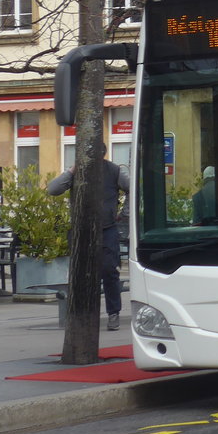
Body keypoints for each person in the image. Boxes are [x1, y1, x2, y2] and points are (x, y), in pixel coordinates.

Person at [47, 140, 129, 331]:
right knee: (81, 273)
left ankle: (113, 313)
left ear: (102, 155)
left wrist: (124, 213)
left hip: (107, 228)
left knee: (109, 270)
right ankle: (81, 315)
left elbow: (132, 189)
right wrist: (71, 171)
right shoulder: (77, 171)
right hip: (81, 230)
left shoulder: (114, 171)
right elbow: (53, 189)